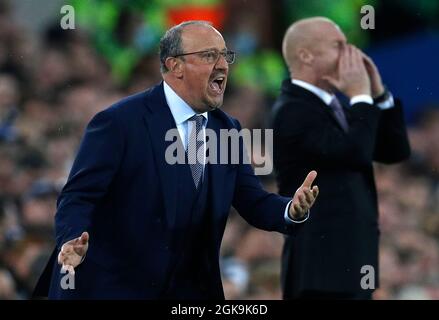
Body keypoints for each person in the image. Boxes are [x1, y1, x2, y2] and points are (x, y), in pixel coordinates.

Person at [33, 20, 319, 300]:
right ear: (174, 66)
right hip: (114, 287)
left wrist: (290, 210)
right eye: (209, 56)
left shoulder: (227, 128)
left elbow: (252, 200)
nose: (223, 65)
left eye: (225, 56)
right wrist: (71, 239)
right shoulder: (119, 122)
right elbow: (78, 196)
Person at [272, 17, 411, 300]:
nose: (352, 55)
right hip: (320, 272)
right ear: (306, 55)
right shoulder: (292, 110)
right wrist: (359, 96)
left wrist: (378, 94)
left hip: (350, 265)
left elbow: (394, 151)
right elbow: (355, 153)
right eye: (339, 46)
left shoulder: (335, 108)